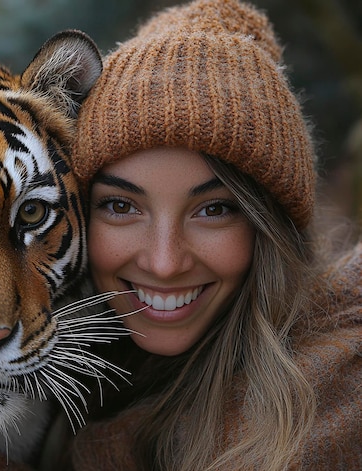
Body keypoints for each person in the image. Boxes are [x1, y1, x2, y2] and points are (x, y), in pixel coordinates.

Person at [65, 0, 362, 469]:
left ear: (270, 227)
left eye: (214, 209)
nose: (164, 262)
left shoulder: (334, 400)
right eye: (121, 206)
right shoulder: (61, 373)